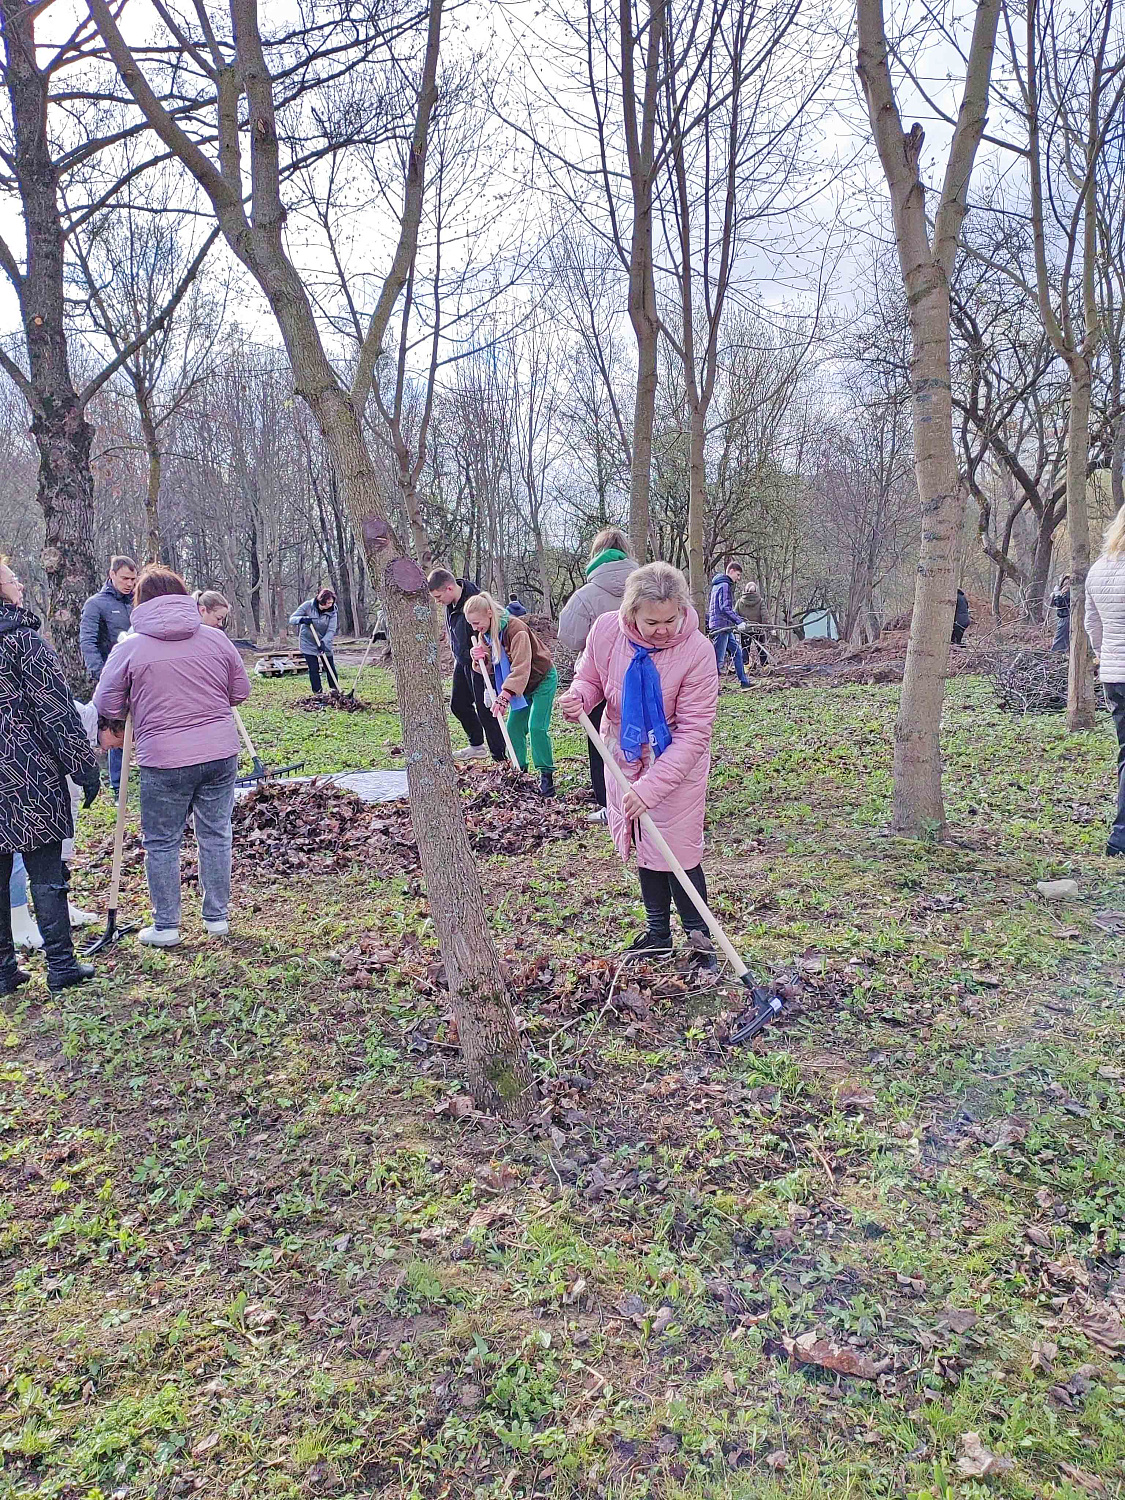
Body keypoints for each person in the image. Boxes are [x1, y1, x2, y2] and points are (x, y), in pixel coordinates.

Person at [558, 561, 719, 968]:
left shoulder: (697, 651)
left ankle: (700, 939)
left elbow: (694, 733)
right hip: (624, 755)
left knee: (679, 849)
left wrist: (651, 788)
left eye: (670, 619)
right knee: (645, 844)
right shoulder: (608, 630)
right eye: (652, 622)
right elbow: (590, 677)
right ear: (631, 613)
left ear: (682, 608)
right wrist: (579, 696)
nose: (663, 629)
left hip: (675, 761)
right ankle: (658, 934)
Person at [94, 564, 251, 946]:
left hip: (163, 759)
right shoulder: (215, 640)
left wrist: (135, 698)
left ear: (140, 602)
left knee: (162, 840)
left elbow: (107, 702)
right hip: (218, 753)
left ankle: (166, 925)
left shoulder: (130, 647)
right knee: (215, 834)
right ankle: (217, 918)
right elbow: (240, 691)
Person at [1, 554, 102, 995]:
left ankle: (3, 971)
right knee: (45, 868)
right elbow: (57, 710)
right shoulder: (22, 641)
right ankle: (60, 964)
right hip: (27, 772)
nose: (19, 583)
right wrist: (84, 765)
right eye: (11, 578)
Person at [558, 527, 637, 824]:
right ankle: (645, 791)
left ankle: (609, 802)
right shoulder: (646, 586)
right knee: (642, 733)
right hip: (641, 675)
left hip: (598, 677)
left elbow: (568, 635)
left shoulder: (585, 595)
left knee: (600, 739)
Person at [465, 591, 558, 797]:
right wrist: (479, 658)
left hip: (541, 679)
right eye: (471, 624)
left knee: (536, 727)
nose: (474, 628)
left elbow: (521, 667)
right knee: (514, 727)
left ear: (489, 613)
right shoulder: (485, 635)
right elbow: (489, 667)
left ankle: (546, 777)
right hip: (519, 686)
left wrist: (504, 695)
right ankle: (519, 773)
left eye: (476, 622)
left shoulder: (515, 629)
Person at [426, 569, 508, 763]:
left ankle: (500, 758)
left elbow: (490, 629)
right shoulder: (449, 603)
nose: (438, 601)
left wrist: (486, 655)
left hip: (480, 662)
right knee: (458, 705)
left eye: (438, 596)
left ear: (449, 587)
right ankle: (477, 745)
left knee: (485, 709)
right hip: (462, 661)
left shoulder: (475, 599)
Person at [80, 554, 137, 796]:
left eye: (133, 579)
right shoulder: (96, 604)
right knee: (114, 729)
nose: (129, 584)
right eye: (125, 578)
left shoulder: (137, 602)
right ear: (111, 574)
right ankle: (117, 785)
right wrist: (101, 674)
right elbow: (88, 641)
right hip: (111, 678)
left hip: (137, 674)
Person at [1086, 516, 1125, 855]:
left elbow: (1091, 623)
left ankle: (1120, 838)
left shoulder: (1098, 568)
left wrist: (1106, 656)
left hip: (1113, 676)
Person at [708, 561, 750, 687]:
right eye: (738, 575)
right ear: (731, 571)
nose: (738, 579)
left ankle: (744, 682)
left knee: (737, 652)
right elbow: (725, 607)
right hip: (722, 627)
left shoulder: (718, 585)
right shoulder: (725, 585)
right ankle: (713, 688)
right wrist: (739, 621)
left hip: (724, 626)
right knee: (718, 660)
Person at [289, 588, 338, 694]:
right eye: (328, 602)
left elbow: (331, 629)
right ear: (322, 600)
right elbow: (292, 619)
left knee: (329, 666)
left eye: (332, 602)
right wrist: (302, 619)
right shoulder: (308, 606)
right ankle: (318, 693)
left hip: (324, 641)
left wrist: (324, 642)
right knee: (313, 668)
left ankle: (335, 690)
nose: (331, 604)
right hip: (308, 642)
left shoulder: (333, 610)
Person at [737, 578, 769, 667]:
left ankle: (745, 666)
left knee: (745, 648)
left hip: (745, 630)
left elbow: (735, 614)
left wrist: (737, 625)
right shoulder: (760, 601)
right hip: (758, 629)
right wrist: (766, 627)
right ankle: (765, 666)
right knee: (761, 647)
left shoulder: (740, 602)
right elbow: (764, 615)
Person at [1049, 575, 1071, 653]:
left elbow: (1060, 603)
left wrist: (1057, 594)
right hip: (1063, 618)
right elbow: (1053, 603)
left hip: (1066, 618)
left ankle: (1055, 658)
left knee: (1059, 643)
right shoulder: (1062, 590)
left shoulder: (1069, 591)